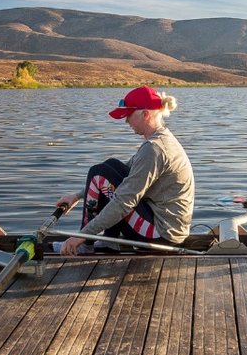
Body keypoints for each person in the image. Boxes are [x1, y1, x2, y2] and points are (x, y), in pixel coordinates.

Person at [55, 85, 195, 255]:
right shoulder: (160, 140)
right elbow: (124, 178)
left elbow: (124, 201)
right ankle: (108, 243)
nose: (126, 120)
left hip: (162, 237)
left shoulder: (154, 149)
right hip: (166, 228)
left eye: (129, 115)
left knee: (100, 173)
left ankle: (85, 245)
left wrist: (81, 236)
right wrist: (76, 196)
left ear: (145, 114)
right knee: (110, 166)